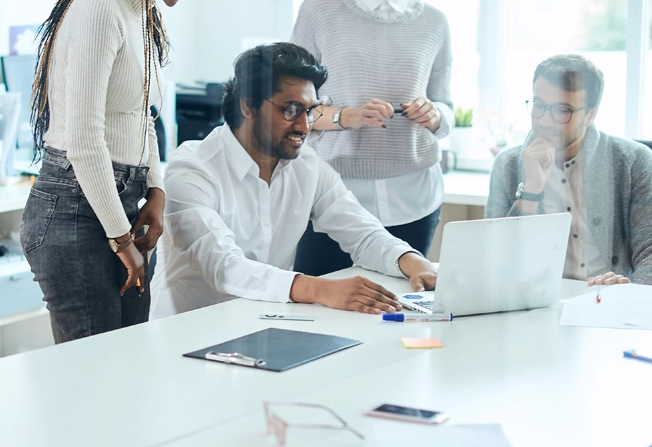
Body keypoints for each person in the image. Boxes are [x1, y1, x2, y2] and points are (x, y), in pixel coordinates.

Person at [22, 0, 215, 343]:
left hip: (117, 204)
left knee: (128, 367)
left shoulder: (141, 12)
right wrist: (121, 238)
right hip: (74, 211)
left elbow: (141, 115)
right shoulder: (99, 8)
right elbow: (85, 140)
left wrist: (155, 188)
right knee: (93, 380)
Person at [150, 43, 438, 319]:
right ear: (248, 106)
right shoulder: (191, 169)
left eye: (310, 111)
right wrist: (319, 288)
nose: (304, 125)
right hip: (184, 333)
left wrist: (415, 264)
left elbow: (363, 233)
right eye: (291, 110)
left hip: (264, 326)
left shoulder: (307, 166)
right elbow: (225, 266)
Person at [290, 0, 453, 277]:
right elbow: (291, 110)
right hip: (331, 199)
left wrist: (433, 115)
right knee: (320, 316)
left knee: (402, 317)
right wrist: (345, 116)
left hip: (414, 198)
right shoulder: (320, 9)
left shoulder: (434, 22)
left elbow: (446, 108)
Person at [486, 54, 652, 289]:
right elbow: (496, 260)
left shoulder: (633, 161)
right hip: (541, 303)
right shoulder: (507, 165)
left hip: (618, 301)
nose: (546, 122)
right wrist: (530, 191)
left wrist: (629, 295)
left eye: (562, 110)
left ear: (591, 114)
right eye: (539, 106)